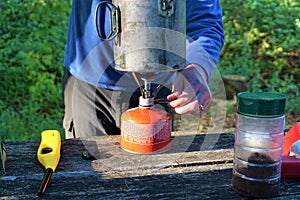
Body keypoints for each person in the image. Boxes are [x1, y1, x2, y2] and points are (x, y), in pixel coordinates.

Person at [63, 0, 225, 139]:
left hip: (162, 88)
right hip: (89, 90)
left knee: (153, 170)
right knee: (89, 167)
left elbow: (205, 21)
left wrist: (196, 68)